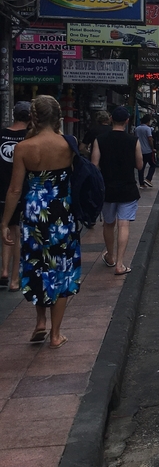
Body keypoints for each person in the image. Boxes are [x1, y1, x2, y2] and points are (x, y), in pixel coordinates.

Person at [1, 95, 81, 347]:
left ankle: (40, 322)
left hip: (35, 213)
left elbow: (14, 190)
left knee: (38, 266)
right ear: (57, 117)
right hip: (61, 213)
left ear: (33, 117)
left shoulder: (24, 148)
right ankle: (56, 334)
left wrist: (4, 222)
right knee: (61, 269)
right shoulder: (68, 144)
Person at [92, 106, 143, 277]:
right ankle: (120, 264)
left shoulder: (100, 139)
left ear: (111, 119)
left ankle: (110, 256)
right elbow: (140, 165)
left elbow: (94, 165)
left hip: (107, 189)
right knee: (124, 224)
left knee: (108, 223)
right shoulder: (133, 140)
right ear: (127, 121)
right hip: (128, 188)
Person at [0, 101, 31, 290]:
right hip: (21, 190)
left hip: (1, 190)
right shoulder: (29, 138)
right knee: (17, 234)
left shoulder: (1, 134)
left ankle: (3, 269)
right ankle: (14, 280)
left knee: (5, 230)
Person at [135, 114, 156, 188]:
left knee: (141, 167)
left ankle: (141, 184)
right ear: (148, 121)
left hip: (139, 150)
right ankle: (148, 178)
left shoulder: (137, 128)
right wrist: (152, 148)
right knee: (153, 165)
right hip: (148, 151)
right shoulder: (148, 129)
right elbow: (150, 139)